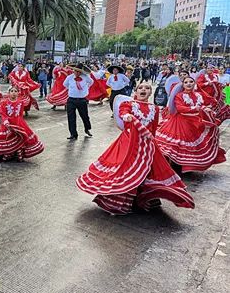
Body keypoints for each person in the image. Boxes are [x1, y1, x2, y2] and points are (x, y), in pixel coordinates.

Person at [76, 83, 194, 215]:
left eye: (147, 88)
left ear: (150, 93)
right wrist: (127, 116)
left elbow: (153, 128)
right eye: (140, 88)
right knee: (125, 170)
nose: (144, 90)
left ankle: (143, 199)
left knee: (147, 171)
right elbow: (122, 113)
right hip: (129, 142)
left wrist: (153, 144)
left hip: (147, 144)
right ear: (135, 92)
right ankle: (118, 203)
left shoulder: (154, 108)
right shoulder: (128, 104)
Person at [156, 76, 226, 173]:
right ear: (183, 85)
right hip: (181, 122)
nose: (189, 84)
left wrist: (206, 108)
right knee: (177, 144)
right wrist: (195, 109)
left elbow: (211, 101)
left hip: (194, 122)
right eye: (186, 82)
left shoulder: (199, 95)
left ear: (194, 83)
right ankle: (172, 165)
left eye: (191, 82)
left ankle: (185, 166)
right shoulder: (179, 96)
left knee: (191, 146)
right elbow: (180, 108)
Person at [0, 86, 44, 162]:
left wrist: (22, 123)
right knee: (8, 139)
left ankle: (18, 154)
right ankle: (7, 154)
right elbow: (3, 114)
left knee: (21, 138)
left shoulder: (20, 102)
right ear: (9, 93)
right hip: (8, 123)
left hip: (18, 123)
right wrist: (6, 123)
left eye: (15, 91)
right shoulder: (4, 102)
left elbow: (20, 114)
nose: (13, 93)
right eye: (12, 91)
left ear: (18, 93)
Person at [63, 63, 93, 140]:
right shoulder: (69, 77)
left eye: (79, 72)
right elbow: (65, 84)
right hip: (71, 100)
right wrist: (72, 90)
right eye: (76, 71)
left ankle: (87, 129)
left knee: (85, 116)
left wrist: (86, 89)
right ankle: (73, 134)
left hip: (82, 100)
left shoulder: (85, 77)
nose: (77, 73)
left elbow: (91, 82)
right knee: (71, 117)